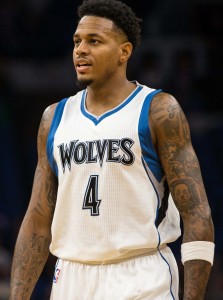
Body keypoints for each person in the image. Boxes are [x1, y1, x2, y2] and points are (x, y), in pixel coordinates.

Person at [9, 0, 215, 299]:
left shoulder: (158, 110)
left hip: (142, 274)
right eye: (77, 41)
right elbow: (38, 220)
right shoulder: (54, 118)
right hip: (70, 276)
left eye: (94, 41)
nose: (80, 49)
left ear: (124, 51)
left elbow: (197, 213)